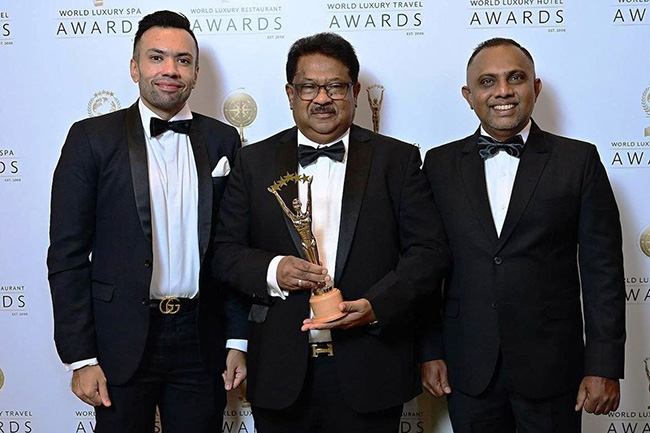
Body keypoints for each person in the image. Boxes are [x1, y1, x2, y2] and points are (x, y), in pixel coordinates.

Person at [214, 32, 449, 433]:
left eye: (335, 86)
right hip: (279, 369)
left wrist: (376, 305)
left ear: (355, 92)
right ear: (290, 94)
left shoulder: (398, 160)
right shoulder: (253, 162)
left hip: (373, 366)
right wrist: (273, 270)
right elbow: (224, 252)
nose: (321, 98)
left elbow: (427, 253)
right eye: (308, 87)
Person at [47, 10, 248, 433]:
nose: (170, 70)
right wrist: (81, 357)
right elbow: (67, 255)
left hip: (202, 338)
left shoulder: (223, 139)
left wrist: (237, 339)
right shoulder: (90, 138)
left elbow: (233, 250)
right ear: (135, 67)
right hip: (119, 339)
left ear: (195, 73)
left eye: (183, 60)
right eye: (157, 58)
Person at [419, 37, 626, 432]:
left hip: (553, 368)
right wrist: (429, 351)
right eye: (487, 81)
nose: (503, 91)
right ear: (468, 95)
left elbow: (604, 273)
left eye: (515, 78)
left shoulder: (578, 160)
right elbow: (427, 268)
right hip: (467, 367)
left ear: (536, 87)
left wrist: (603, 365)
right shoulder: (439, 164)